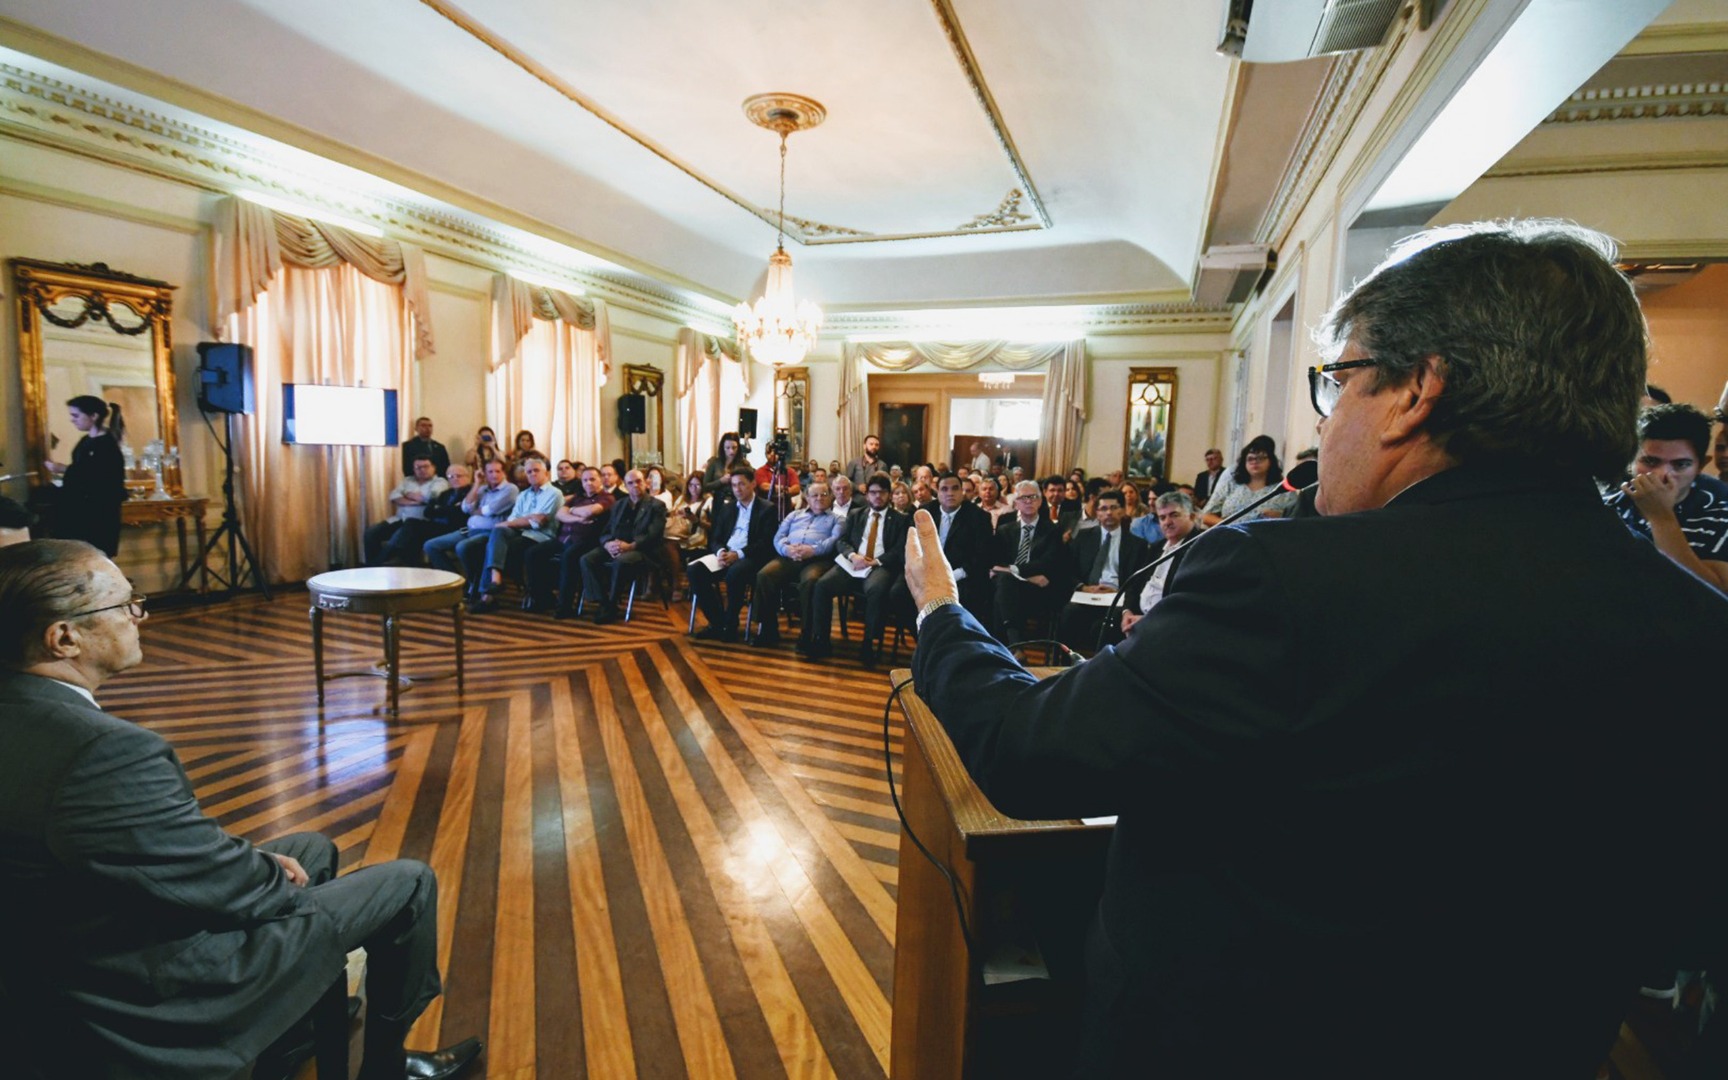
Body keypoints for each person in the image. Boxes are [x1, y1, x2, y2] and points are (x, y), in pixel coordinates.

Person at [901, 220, 1728, 1077]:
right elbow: (1691, 922)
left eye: (1341, 382)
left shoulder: (1283, 582)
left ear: (1418, 391)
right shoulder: (1697, 628)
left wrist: (942, 614)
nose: (1327, 423)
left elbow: (1026, 750)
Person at [0, 539, 482, 1080]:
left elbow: (150, 853)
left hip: (67, 937)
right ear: (64, 638)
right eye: (124, 605)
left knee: (310, 849)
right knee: (408, 882)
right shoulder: (98, 750)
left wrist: (256, 867)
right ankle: (385, 1068)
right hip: (140, 981)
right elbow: (216, 884)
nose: (141, 615)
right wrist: (262, 878)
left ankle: (289, 1033)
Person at [1610, 402, 1728, 593]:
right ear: (1631, 460)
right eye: (1650, 461)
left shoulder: (1720, 516)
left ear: (1700, 466)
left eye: (1680, 464)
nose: (1662, 475)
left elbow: (1715, 597)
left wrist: (1661, 517)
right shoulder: (1608, 508)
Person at [808, 472, 906, 665]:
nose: (877, 496)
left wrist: (875, 562)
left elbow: (899, 551)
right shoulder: (856, 514)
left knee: (876, 590)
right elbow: (842, 541)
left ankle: (869, 642)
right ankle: (821, 639)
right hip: (853, 562)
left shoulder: (900, 520)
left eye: (882, 492)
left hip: (879, 565)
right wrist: (853, 555)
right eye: (873, 492)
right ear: (867, 494)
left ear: (889, 494)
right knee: (822, 586)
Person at [688, 470, 779, 641]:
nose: (737, 489)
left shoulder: (767, 509)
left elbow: (766, 542)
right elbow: (715, 537)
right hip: (725, 553)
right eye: (734, 485)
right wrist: (721, 552)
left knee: (735, 573)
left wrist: (738, 554)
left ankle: (731, 624)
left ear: (753, 484)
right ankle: (717, 622)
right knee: (695, 570)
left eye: (742, 484)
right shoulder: (727, 508)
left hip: (750, 556)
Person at [752, 480, 843, 646]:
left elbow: (834, 541)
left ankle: (807, 634)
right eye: (814, 495)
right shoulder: (794, 515)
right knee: (764, 576)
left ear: (830, 497)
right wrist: (787, 550)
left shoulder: (837, 519)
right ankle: (768, 630)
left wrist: (812, 550)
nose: (819, 498)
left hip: (818, 560)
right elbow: (778, 537)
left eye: (824, 494)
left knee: (810, 581)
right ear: (807, 497)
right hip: (789, 556)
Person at [469, 456, 561, 613]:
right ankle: (495, 581)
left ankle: (488, 596)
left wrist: (518, 521)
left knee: (493, 542)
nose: (532, 474)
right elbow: (514, 518)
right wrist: (523, 520)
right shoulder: (524, 494)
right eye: (529, 471)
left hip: (540, 537)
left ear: (546, 473)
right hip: (519, 533)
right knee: (496, 533)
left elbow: (538, 522)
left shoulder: (554, 493)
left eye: (536, 470)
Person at [988, 480, 1070, 647]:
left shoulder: (1052, 530)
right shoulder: (1005, 530)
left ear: (1040, 501)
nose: (1028, 501)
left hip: (1038, 591)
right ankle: (1014, 644)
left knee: (1002, 588)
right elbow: (995, 561)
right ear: (1016, 503)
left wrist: (1012, 570)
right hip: (1016, 585)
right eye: (1023, 498)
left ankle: (1002, 649)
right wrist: (1023, 575)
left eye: (1033, 497)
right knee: (1002, 586)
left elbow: (1048, 563)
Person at [578, 469, 666, 624]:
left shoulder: (656, 505)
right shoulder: (619, 505)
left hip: (642, 550)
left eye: (638, 481)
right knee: (587, 559)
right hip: (616, 546)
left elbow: (653, 535)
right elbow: (605, 531)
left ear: (646, 483)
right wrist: (608, 544)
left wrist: (630, 546)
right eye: (630, 483)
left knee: (622, 561)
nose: (635, 486)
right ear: (625, 486)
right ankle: (603, 602)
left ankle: (612, 604)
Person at [524, 466, 612, 616]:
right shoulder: (578, 497)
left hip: (587, 541)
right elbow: (559, 514)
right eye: (585, 480)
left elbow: (591, 511)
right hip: (563, 539)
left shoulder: (606, 498)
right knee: (533, 553)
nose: (588, 483)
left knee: (569, 557)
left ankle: (565, 606)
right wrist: (576, 515)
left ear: (600, 480)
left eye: (592, 479)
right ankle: (543, 598)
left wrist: (571, 511)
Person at [45, 395, 127, 556]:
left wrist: (63, 469)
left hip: (97, 516)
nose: (72, 420)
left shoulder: (107, 445)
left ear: (94, 416)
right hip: (81, 512)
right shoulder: (85, 441)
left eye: (76, 415)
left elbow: (98, 479)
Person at [1118, 490, 1201, 634]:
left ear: (1192, 517)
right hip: (1137, 617)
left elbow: (1187, 601)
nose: (1167, 522)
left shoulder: (1200, 548)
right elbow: (1134, 584)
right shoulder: (1157, 546)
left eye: (1174, 515)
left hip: (1168, 624)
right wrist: (1127, 612)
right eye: (1162, 518)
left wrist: (1148, 620)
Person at [363, 456, 448, 566]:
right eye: (418, 467)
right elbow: (393, 496)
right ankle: (374, 564)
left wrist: (406, 494)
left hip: (421, 522)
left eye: (426, 466)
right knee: (371, 533)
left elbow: (431, 498)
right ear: (414, 469)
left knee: (398, 537)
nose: (422, 470)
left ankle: (375, 566)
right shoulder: (407, 480)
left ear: (433, 468)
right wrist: (415, 501)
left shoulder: (440, 482)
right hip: (399, 519)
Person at [1200, 434, 1296, 526]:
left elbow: (1297, 520)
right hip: (1231, 537)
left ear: (1271, 461)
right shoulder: (1232, 484)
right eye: (1250, 459)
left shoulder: (1284, 490)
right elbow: (1206, 516)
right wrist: (1229, 526)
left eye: (1261, 458)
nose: (1255, 462)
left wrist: (1281, 517)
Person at [702, 432, 750, 499]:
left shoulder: (743, 464)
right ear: (722, 448)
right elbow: (705, 486)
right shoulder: (714, 462)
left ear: (738, 447)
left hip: (736, 500)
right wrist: (721, 481)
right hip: (717, 500)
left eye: (734, 448)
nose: (731, 451)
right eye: (727, 448)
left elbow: (750, 484)